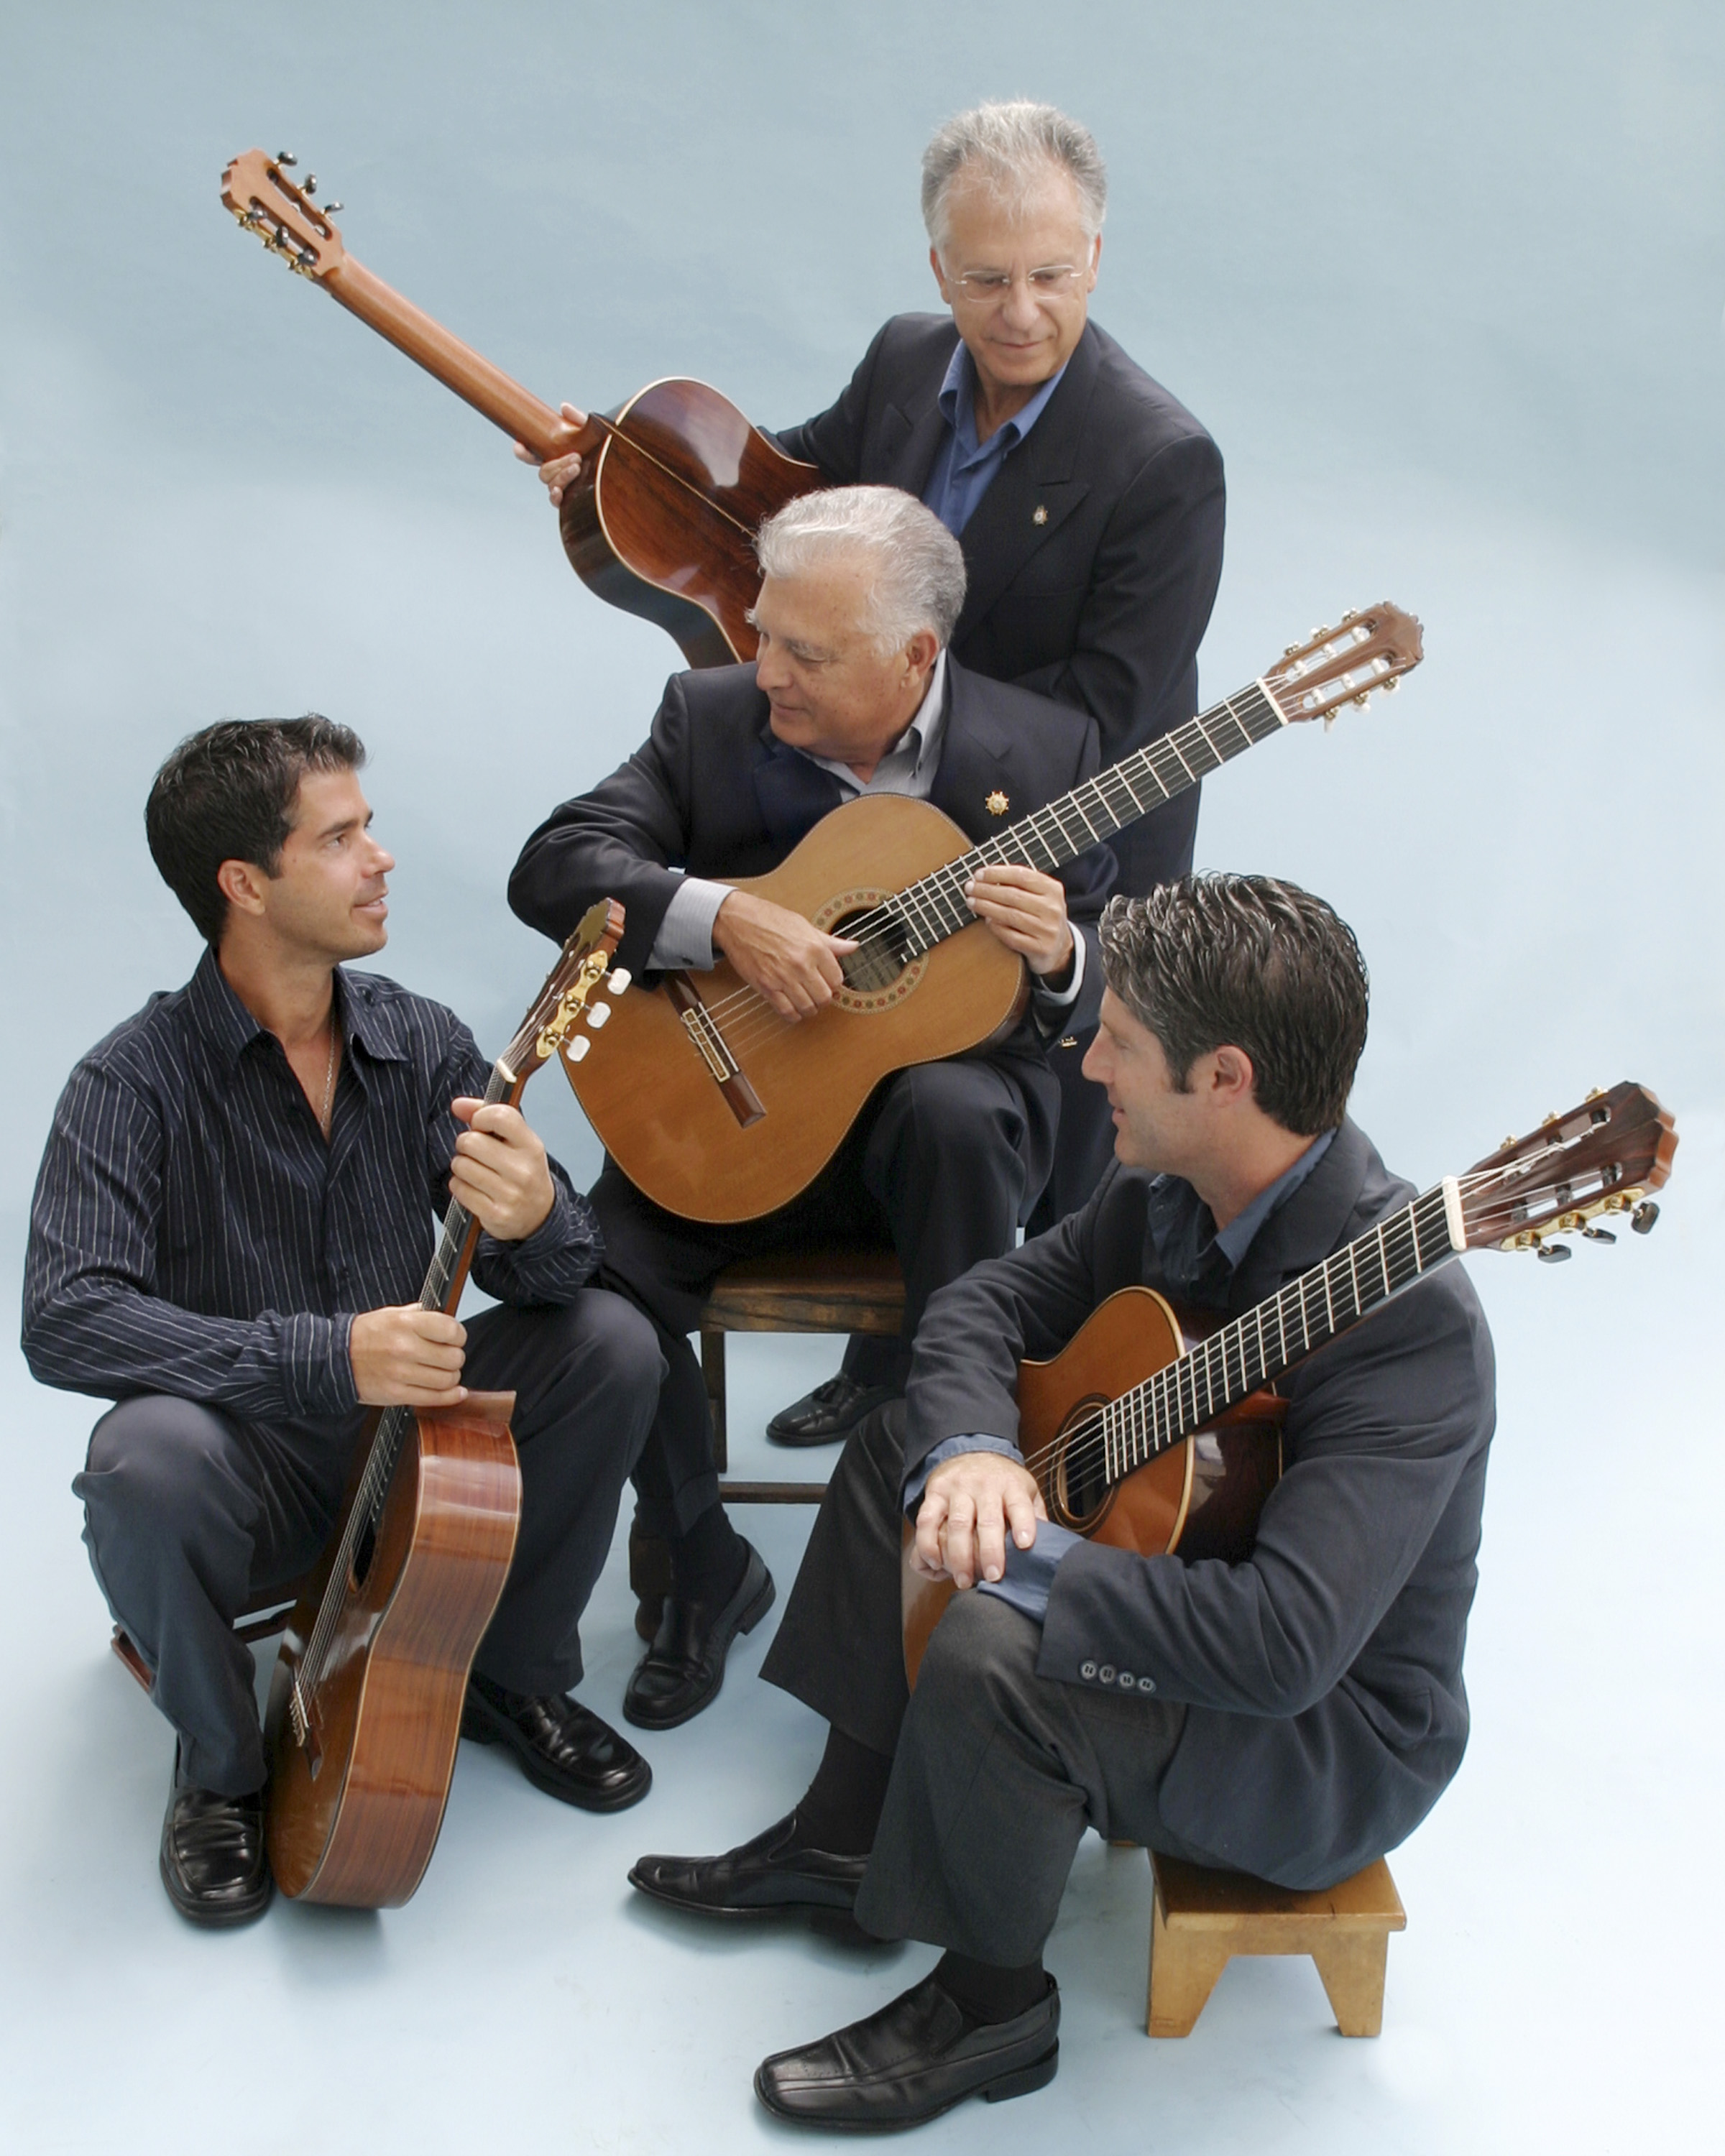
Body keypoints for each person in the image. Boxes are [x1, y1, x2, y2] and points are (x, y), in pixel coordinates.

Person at [625, 874, 1497, 2132]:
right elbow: (987, 1302)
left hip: (1326, 1741)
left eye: (1122, 1044)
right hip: (1185, 1586)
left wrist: (1012, 1561)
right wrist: (977, 1454)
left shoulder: (1408, 1322)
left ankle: (992, 2010)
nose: (1088, 1066)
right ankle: (847, 1834)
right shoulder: (1164, 1191)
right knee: (897, 1457)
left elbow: (1283, 1645)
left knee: (996, 1641)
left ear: (1228, 1080)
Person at [523, 101, 1226, 1434]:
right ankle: (871, 1374)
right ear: (934, 272)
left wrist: (896, 714)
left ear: (1098, 254)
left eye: (1052, 275)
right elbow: (791, 506)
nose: (1018, 312)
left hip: (1047, 811)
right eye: (984, 279)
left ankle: (941, 1403)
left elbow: (1106, 720)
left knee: (961, 1103)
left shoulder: (1162, 462)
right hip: (861, 787)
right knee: (828, 1059)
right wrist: (619, 481)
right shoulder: (911, 363)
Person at [22, 718, 665, 1929]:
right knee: (140, 1458)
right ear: (244, 886)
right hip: (248, 1476)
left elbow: (552, 1275)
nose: (380, 858)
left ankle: (510, 1674)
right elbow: (64, 1320)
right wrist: (329, 1355)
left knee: (613, 1342)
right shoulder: (129, 1082)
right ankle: (220, 1767)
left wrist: (534, 1215)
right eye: (340, 836)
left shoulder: (417, 1039)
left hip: (418, 1459)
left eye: (367, 827)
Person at [507, 486, 1116, 1733]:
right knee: (595, 1282)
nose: (766, 670)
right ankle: (698, 1566)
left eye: (806, 652)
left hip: (932, 1170)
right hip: (733, 1119)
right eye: (767, 634)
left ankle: (946, 1533)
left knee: (953, 1105)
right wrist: (722, 913)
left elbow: (1113, 983)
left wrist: (1062, 954)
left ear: (915, 657)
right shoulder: (712, 714)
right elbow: (556, 864)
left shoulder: (1044, 753)